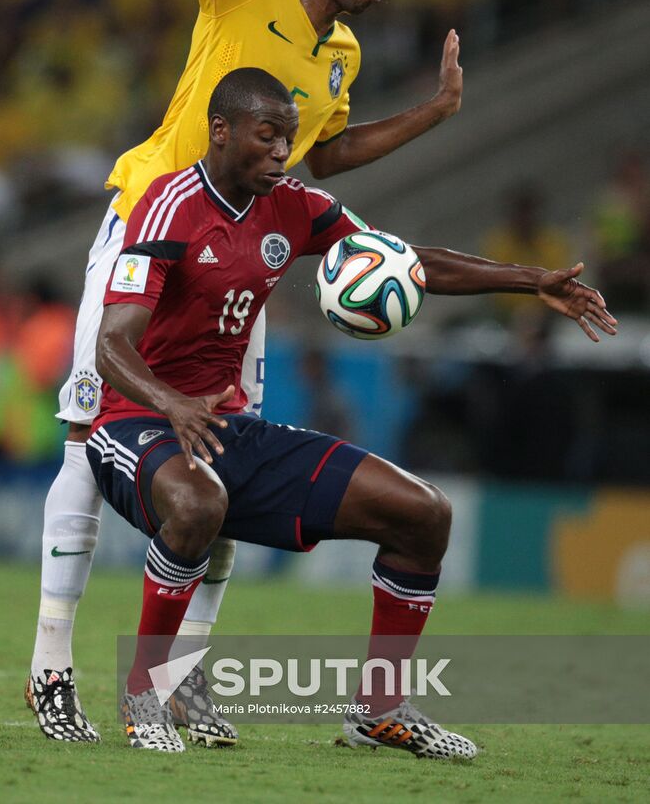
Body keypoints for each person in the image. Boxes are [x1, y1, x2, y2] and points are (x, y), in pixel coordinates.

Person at [27, 0, 465, 744]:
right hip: (151, 235)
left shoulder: (337, 53)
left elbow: (328, 152)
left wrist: (431, 113)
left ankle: (179, 680)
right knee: (84, 438)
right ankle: (52, 670)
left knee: (217, 456)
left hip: (240, 258)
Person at [86, 68, 616, 753]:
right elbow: (109, 343)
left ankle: (378, 708)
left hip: (221, 431)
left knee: (422, 512)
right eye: (267, 136)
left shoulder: (296, 206)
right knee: (196, 505)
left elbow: (403, 261)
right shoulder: (169, 205)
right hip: (133, 423)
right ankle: (145, 689)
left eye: (289, 140)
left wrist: (527, 280)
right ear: (221, 132)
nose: (282, 153)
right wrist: (171, 402)